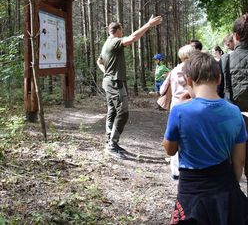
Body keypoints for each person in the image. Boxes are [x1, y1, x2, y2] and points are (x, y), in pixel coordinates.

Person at [163, 51, 248, 224]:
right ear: (219, 79)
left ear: (188, 81)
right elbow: (239, 160)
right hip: (224, 186)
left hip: (191, 190)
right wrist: (232, 185)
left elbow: (170, 150)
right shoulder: (234, 113)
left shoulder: (179, 111)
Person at [97, 15, 163, 159]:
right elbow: (132, 38)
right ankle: (112, 145)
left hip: (109, 81)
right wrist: (148, 25)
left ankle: (110, 141)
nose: (123, 33)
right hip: (114, 82)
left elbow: (99, 61)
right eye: (122, 30)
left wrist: (107, 73)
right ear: (118, 30)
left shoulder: (106, 43)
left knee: (112, 111)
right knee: (123, 113)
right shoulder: (114, 41)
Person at [220, 13, 248, 189]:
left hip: (233, 122)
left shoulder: (225, 59)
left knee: (232, 169)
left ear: (236, 37)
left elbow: (217, 93)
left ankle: (234, 207)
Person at [160, 44, 196, 180]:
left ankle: (175, 171)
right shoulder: (191, 70)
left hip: (175, 106)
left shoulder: (174, 70)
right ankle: (187, 166)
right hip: (189, 104)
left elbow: (163, 88)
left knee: (175, 136)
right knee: (188, 136)